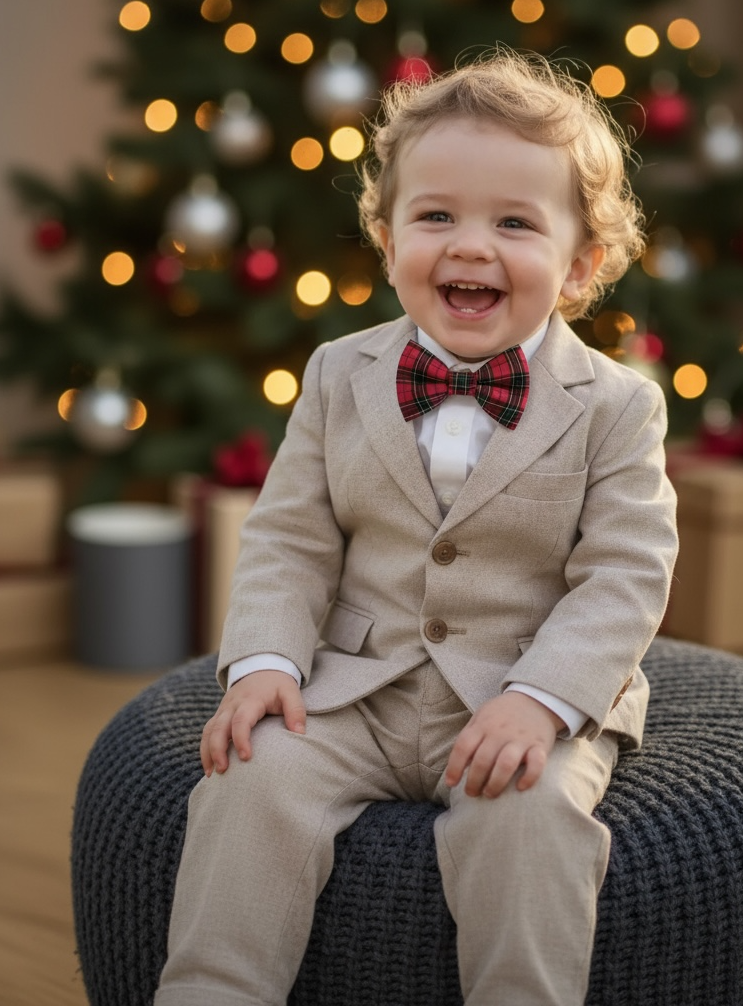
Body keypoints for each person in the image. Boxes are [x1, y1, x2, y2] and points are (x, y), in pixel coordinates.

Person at [155, 49, 678, 1006]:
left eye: (516, 223)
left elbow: (625, 575)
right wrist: (266, 662)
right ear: (389, 241)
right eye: (436, 216)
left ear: (580, 266)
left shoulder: (618, 407)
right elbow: (290, 539)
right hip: (358, 685)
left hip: (517, 696)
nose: (470, 246)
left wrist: (545, 700)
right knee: (250, 786)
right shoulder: (338, 373)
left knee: (528, 827)